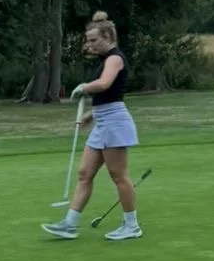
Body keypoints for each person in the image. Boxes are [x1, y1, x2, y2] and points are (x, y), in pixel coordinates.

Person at [41, 15, 143, 242]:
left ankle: (131, 225)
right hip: (103, 121)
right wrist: (91, 115)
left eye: (93, 40)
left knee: (119, 177)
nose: (89, 45)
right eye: (88, 41)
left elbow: (105, 84)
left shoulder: (114, 59)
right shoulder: (104, 59)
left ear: (107, 37)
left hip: (115, 123)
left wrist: (83, 88)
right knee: (85, 174)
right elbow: (108, 95)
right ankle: (69, 224)